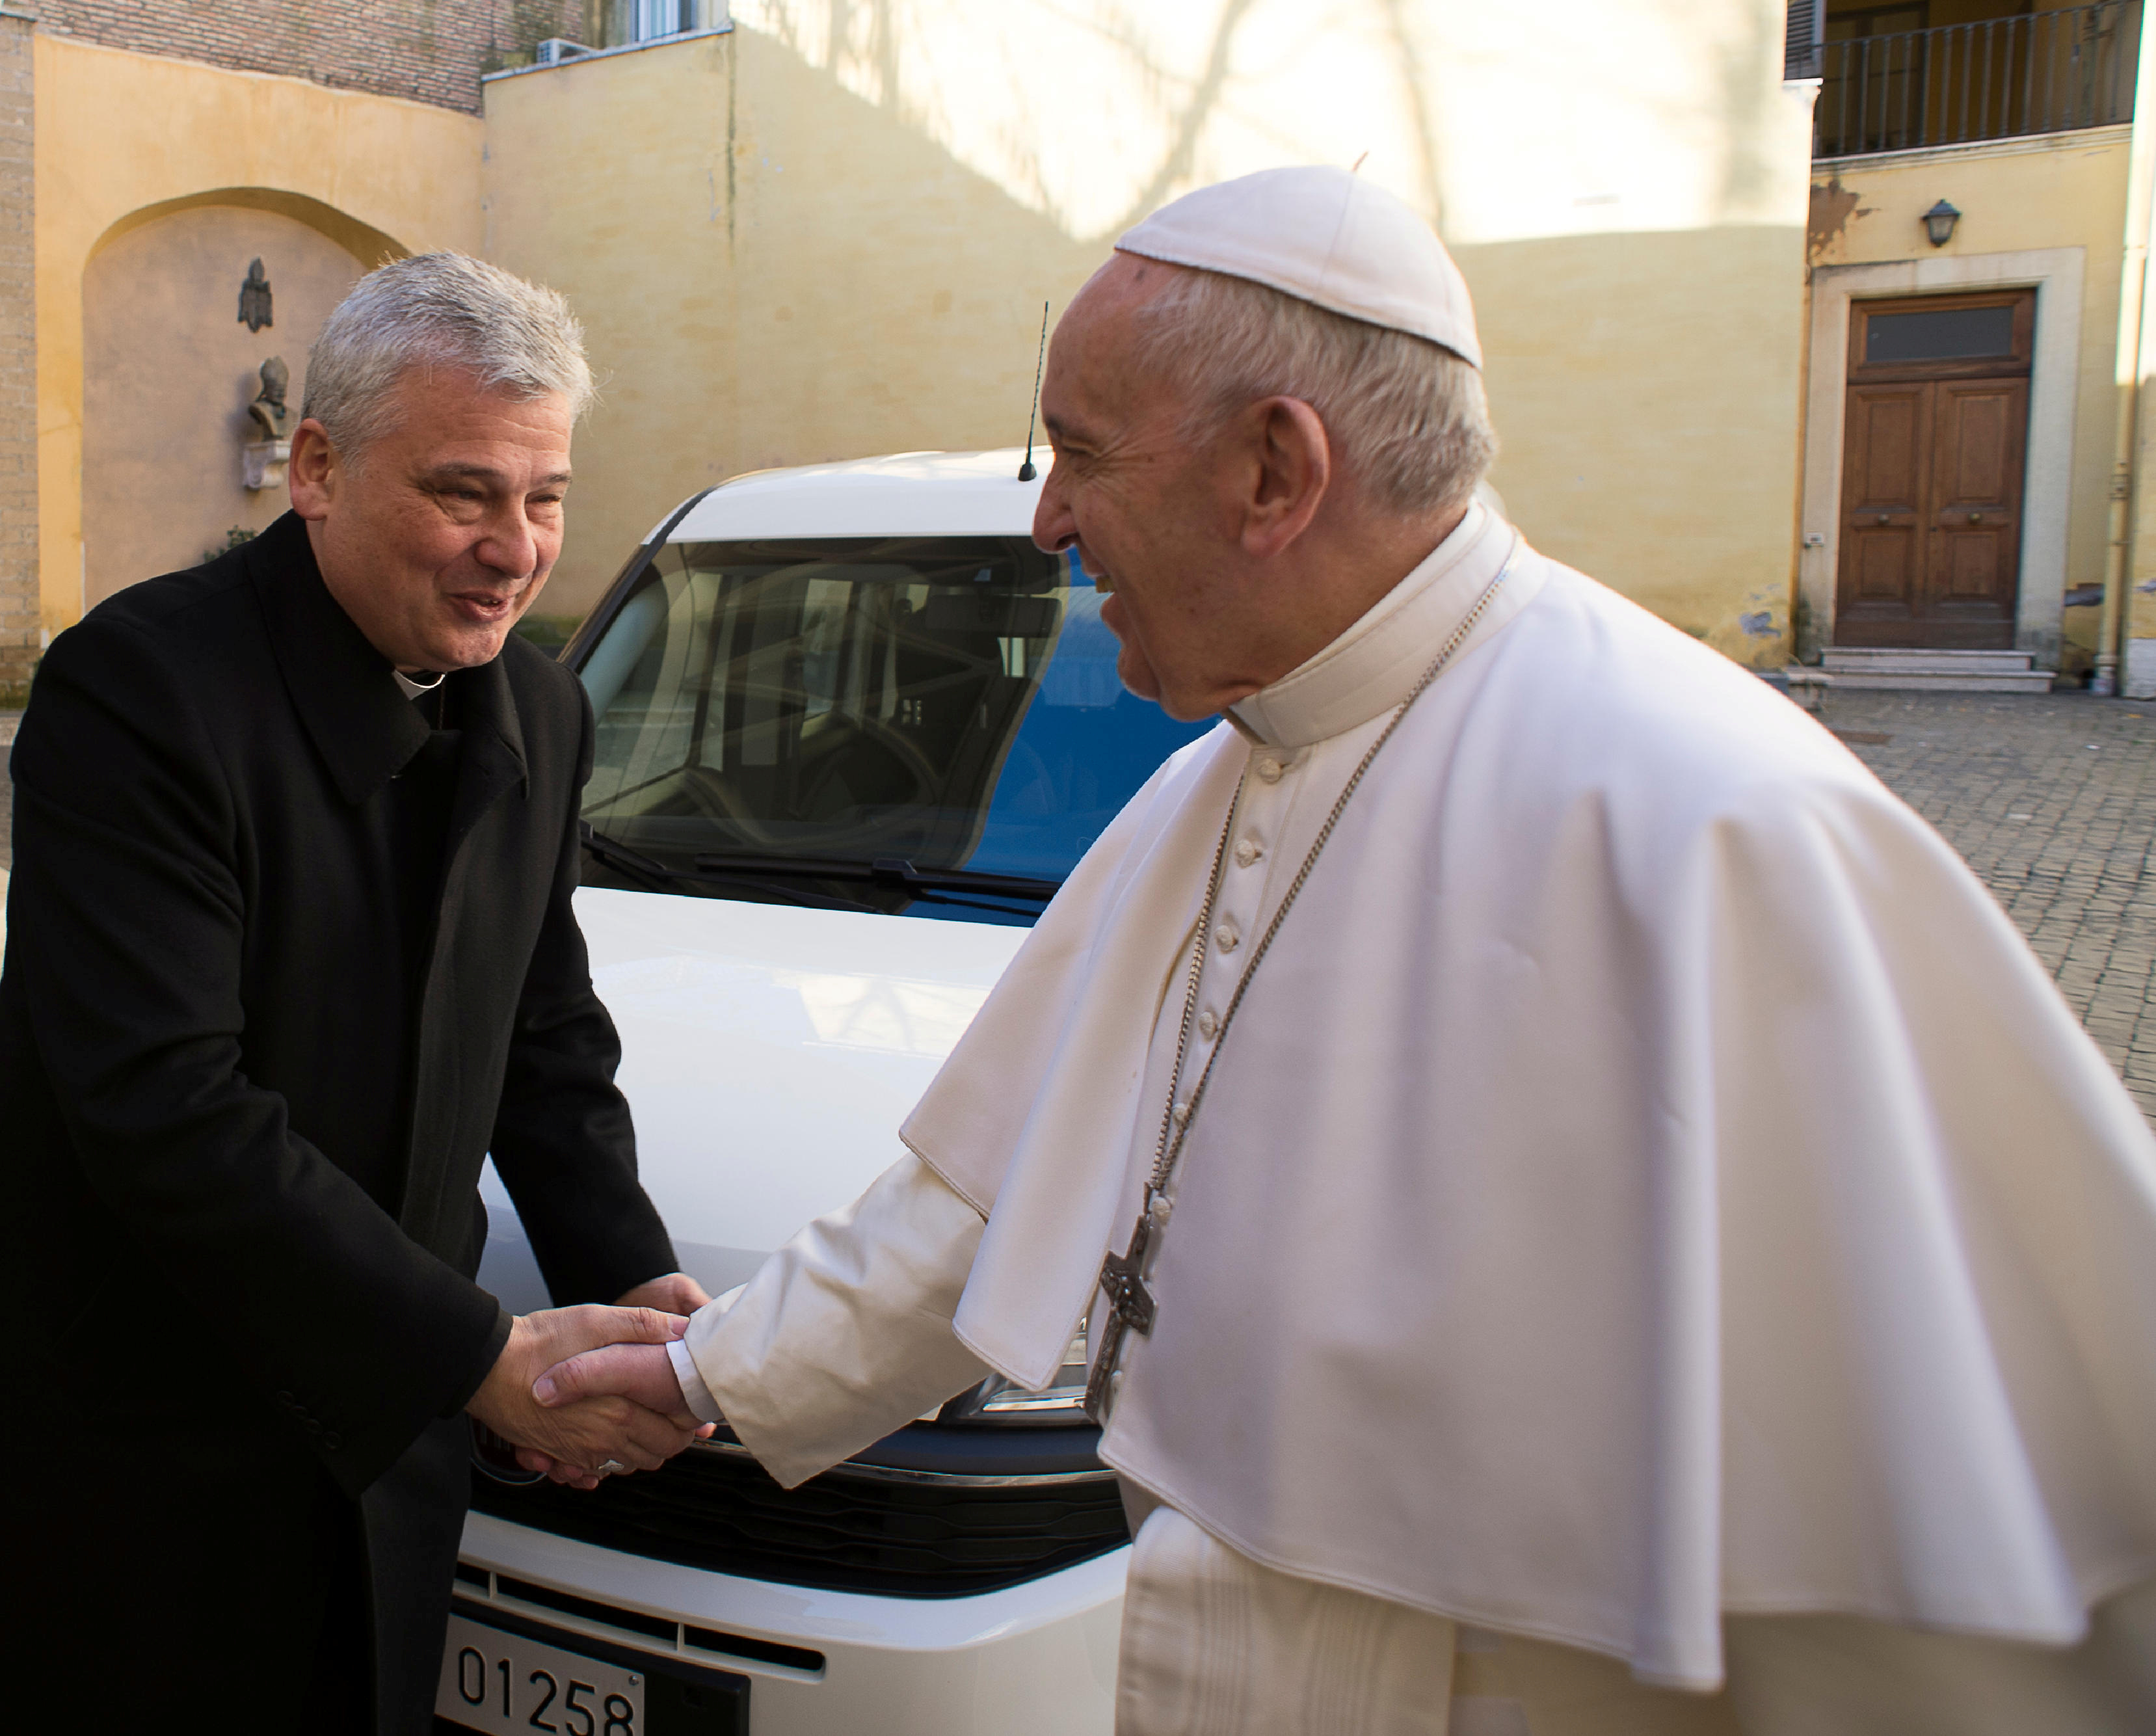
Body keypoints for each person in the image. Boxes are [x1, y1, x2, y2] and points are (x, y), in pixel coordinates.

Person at [529, 169, 2156, 1734]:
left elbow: (1930, 1537)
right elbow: (979, 1203)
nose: (1051, 520)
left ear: (1273, 471)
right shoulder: (1216, 780)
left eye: (1079, 455)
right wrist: (704, 1374)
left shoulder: (1711, 820)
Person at [0, 254, 709, 1733]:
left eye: (547, 497)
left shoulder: (545, 708)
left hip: (374, 1452)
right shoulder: (137, 694)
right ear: (315, 468)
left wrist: (631, 1285)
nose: (514, 550)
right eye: (464, 492)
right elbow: (164, 1110)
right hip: (127, 1466)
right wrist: (472, 1358)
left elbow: (543, 1036)